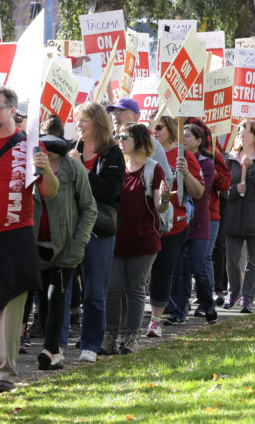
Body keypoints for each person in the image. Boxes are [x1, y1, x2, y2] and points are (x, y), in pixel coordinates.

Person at [0, 86, 59, 392]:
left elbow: (50, 192)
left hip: (15, 233)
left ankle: (6, 376)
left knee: (9, 303)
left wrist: (46, 171)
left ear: (12, 111)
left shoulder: (30, 145)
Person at [101, 123, 170, 354]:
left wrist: (167, 199)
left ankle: (132, 338)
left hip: (144, 239)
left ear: (139, 140)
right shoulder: (115, 165)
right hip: (116, 238)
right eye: (117, 135)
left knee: (135, 289)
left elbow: (159, 206)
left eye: (124, 136)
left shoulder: (153, 169)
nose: (119, 139)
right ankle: (110, 337)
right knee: (113, 289)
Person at [33, 125, 97, 370]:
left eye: (49, 154)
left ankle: (50, 349)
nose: (43, 156)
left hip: (66, 247)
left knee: (56, 294)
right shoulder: (31, 168)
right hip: (37, 245)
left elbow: (89, 208)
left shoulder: (74, 169)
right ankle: (55, 353)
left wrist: (79, 242)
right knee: (42, 298)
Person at [66, 102, 125, 363]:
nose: (79, 124)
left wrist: (84, 170)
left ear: (98, 124)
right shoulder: (72, 149)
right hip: (70, 226)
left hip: (99, 228)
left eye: (84, 120)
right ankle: (56, 344)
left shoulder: (112, 153)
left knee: (94, 289)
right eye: (77, 120)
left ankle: (91, 343)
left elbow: (109, 191)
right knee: (64, 287)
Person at [148, 116, 204, 333]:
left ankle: (161, 318)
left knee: (165, 268)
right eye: (151, 127)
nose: (155, 131)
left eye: (159, 127)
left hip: (174, 223)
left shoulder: (183, 154)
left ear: (171, 129)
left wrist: (186, 172)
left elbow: (198, 192)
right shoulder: (145, 153)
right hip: (148, 221)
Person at [223, 121, 255, 313]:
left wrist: (252, 168)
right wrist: (235, 190)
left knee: (254, 260)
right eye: (239, 131)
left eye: (247, 132)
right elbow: (222, 189)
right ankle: (234, 292)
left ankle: (248, 298)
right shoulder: (229, 159)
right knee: (233, 259)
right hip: (234, 217)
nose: (242, 135)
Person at [169, 124, 218, 324]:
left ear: (199, 141)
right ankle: (178, 311)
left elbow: (200, 192)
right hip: (179, 222)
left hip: (198, 222)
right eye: (182, 135)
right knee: (179, 269)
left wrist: (187, 172)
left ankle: (208, 304)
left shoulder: (206, 163)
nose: (184, 139)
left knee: (199, 267)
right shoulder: (172, 156)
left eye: (188, 136)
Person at [106, 98, 172, 186]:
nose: (115, 116)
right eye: (113, 113)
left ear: (136, 117)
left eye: (121, 112)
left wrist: (146, 188)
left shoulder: (152, 144)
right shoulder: (106, 142)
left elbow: (167, 180)